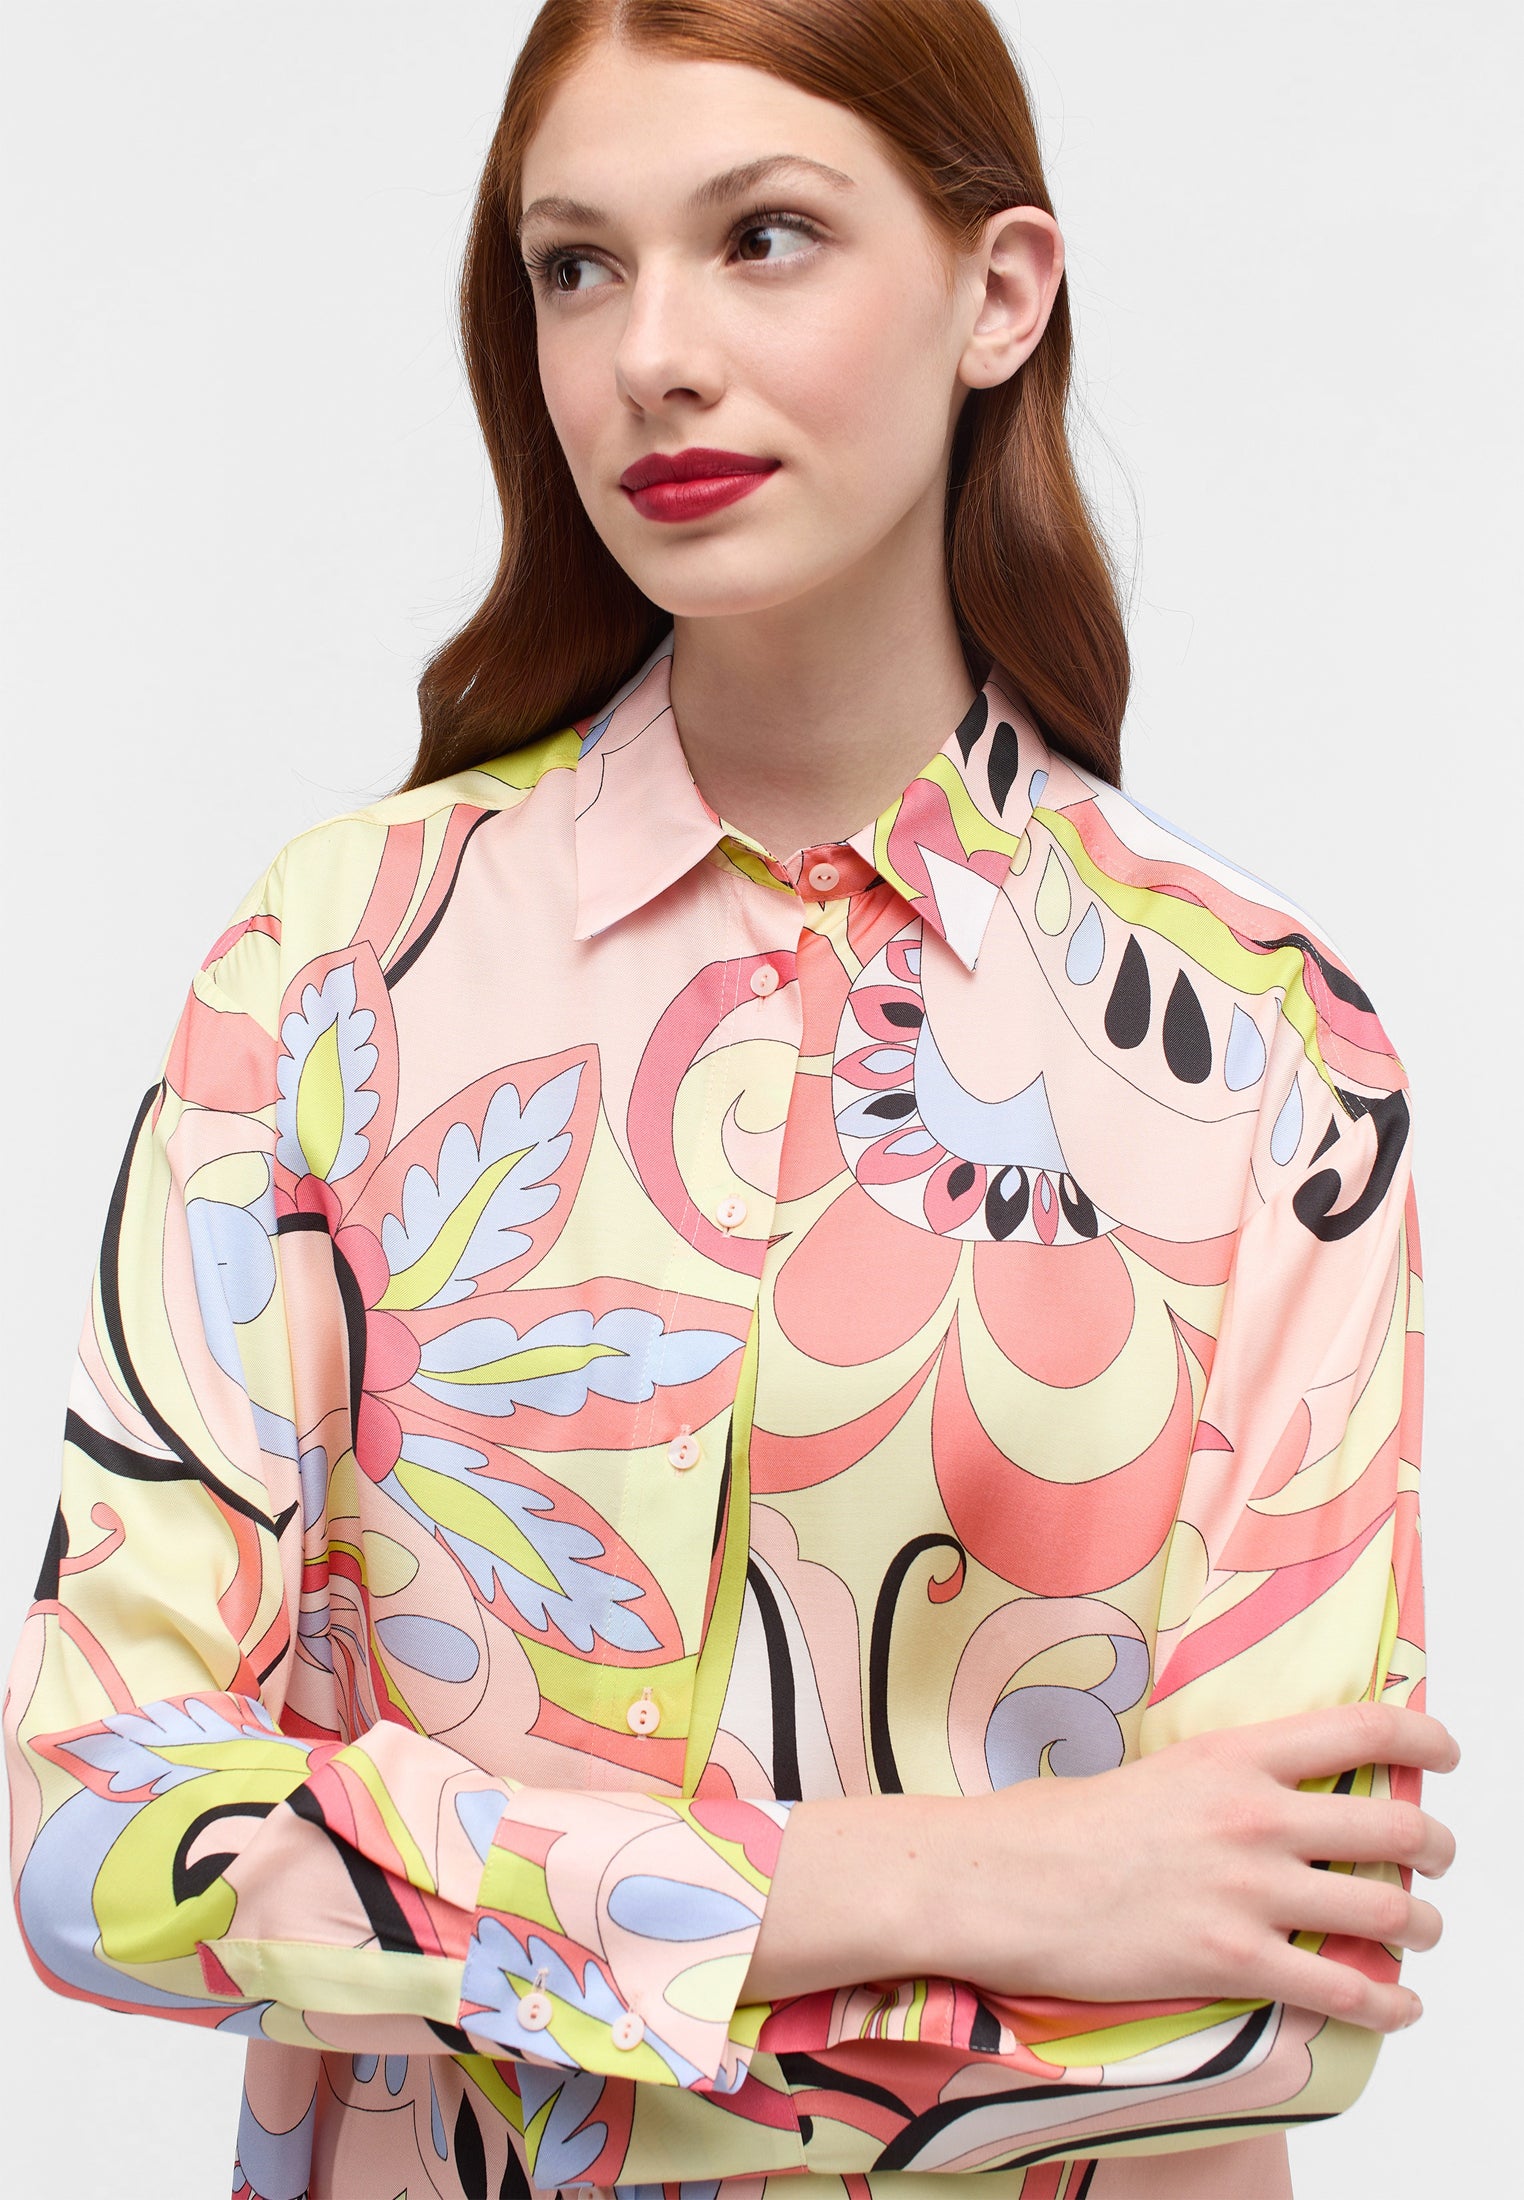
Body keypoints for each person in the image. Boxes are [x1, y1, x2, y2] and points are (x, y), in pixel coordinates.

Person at [3, 4, 1460, 2197]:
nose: (651, 356)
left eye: (763, 236)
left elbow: (1261, 1993)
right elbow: (100, 1831)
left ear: (1000, 295)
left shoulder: (1262, 1051)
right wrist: (947, 1879)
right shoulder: (330, 972)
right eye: (576, 266)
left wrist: (439, 1908)